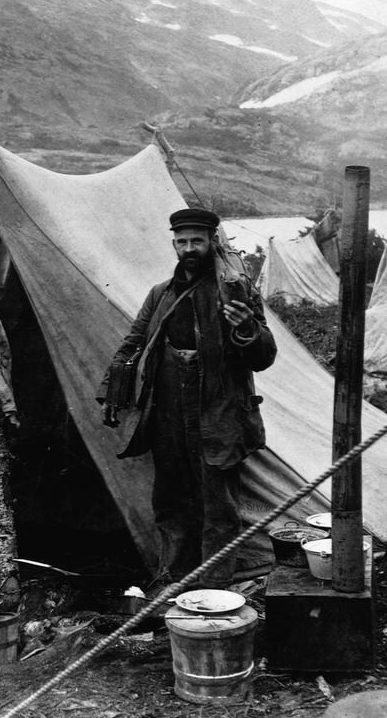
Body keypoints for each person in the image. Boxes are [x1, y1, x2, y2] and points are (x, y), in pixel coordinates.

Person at [98, 209, 277, 590]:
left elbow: (264, 358)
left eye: (197, 241)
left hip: (218, 412)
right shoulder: (160, 293)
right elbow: (133, 343)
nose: (189, 248)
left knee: (218, 506)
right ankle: (175, 582)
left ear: (213, 242)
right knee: (172, 499)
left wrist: (246, 327)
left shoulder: (236, 291)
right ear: (174, 244)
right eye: (182, 242)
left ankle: (215, 588)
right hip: (167, 412)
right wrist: (112, 392)